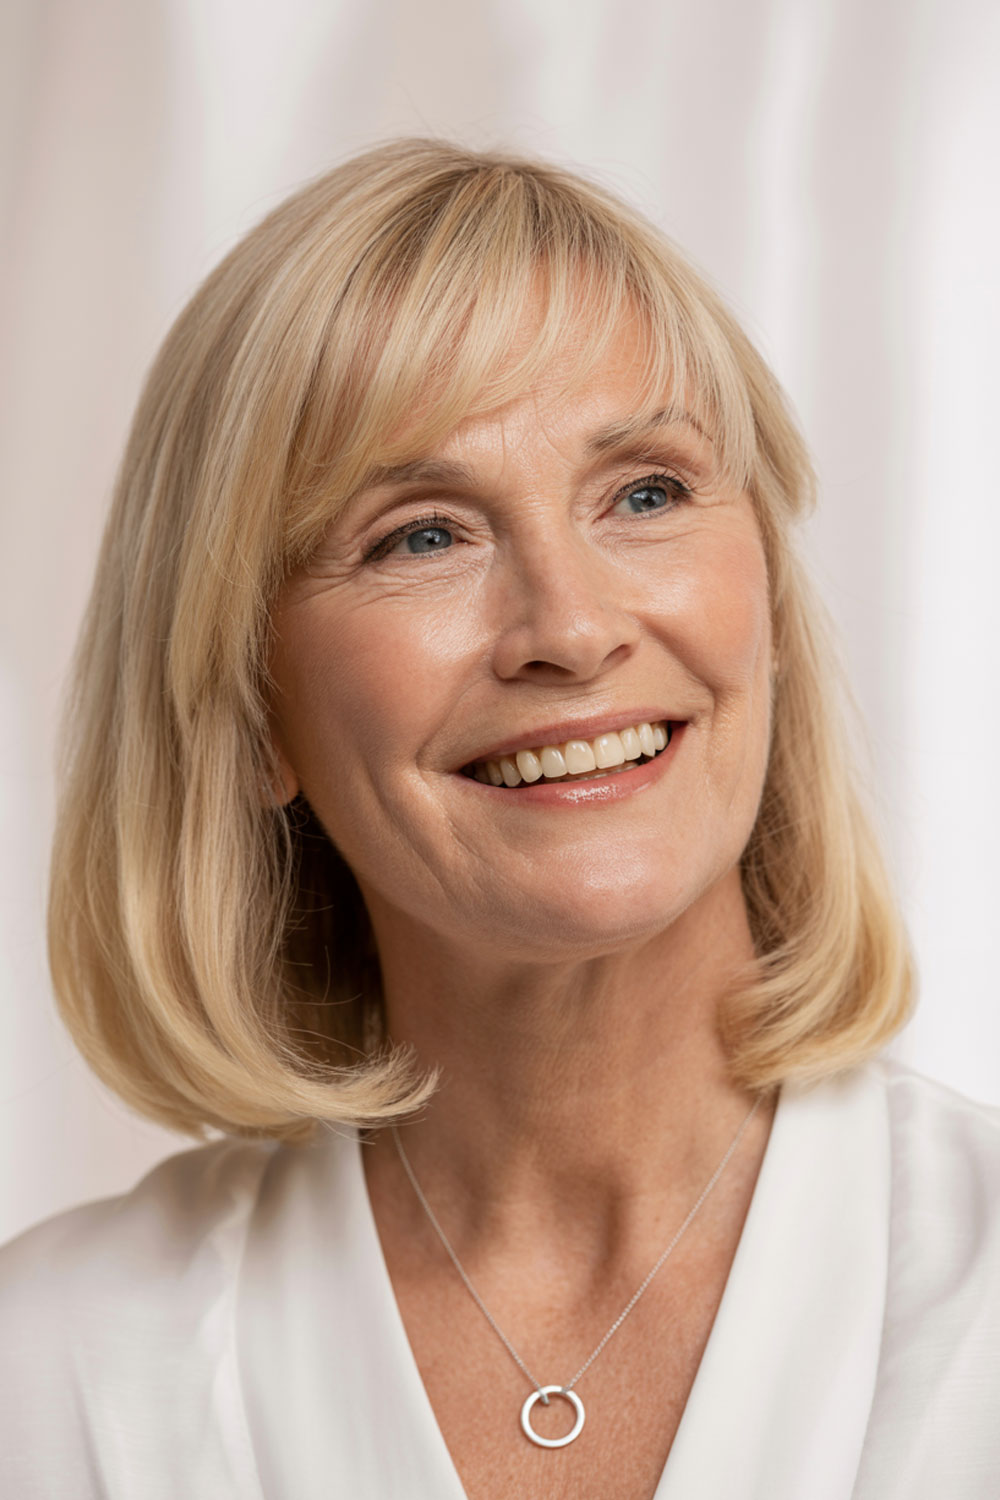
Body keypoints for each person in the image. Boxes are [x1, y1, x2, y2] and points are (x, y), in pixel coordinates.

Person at [1, 138, 998, 1500]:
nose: (572, 630)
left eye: (644, 493)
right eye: (421, 534)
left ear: (760, 604)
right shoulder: (56, 1374)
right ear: (245, 712)